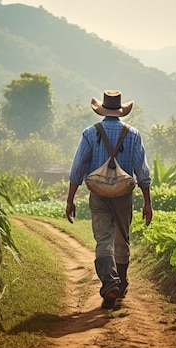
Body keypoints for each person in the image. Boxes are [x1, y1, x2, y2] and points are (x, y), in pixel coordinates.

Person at [66, 90, 153, 310]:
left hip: (98, 195)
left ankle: (109, 282)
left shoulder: (89, 133)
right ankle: (121, 284)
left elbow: (78, 169)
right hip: (124, 194)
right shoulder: (133, 134)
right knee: (122, 238)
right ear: (121, 110)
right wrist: (147, 202)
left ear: (102, 109)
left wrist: (70, 199)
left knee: (103, 238)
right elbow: (142, 171)